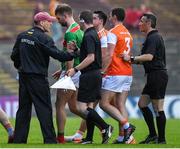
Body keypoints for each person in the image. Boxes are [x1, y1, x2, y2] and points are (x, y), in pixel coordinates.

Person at [11, 11, 78, 144]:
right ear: (42, 22)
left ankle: (19, 141)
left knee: (23, 110)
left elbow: (14, 56)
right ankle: (50, 140)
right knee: (44, 109)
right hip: (38, 79)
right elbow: (58, 55)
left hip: (24, 77)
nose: (51, 23)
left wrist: (21, 66)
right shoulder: (44, 38)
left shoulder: (22, 36)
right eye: (49, 21)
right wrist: (75, 53)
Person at [67, 10, 113, 144]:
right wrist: (76, 50)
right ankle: (89, 138)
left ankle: (105, 127)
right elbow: (89, 54)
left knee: (82, 108)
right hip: (95, 74)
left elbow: (91, 58)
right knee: (90, 108)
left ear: (82, 21)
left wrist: (75, 69)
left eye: (79, 20)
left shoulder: (88, 35)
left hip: (90, 75)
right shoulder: (92, 34)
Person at [123, 13, 168, 144]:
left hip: (157, 75)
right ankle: (153, 135)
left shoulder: (154, 37)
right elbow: (144, 59)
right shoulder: (151, 37)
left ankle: (162, 139)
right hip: (154, 75)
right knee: (142, 104)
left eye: (142, 21)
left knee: (158, 107)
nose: (139, 24)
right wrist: (131, 60)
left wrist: (131, 58)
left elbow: (149, 57)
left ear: (149, 23)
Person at [99, 7, 136, 144]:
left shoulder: (113, 32)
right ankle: (123, 138)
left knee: (104, 103)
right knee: (121, 104)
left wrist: (103, 70)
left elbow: (109, 54)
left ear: (114, 17)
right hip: (127, 73)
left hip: (116, 72)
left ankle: (127, 126)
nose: (109, 18)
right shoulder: (128, 33)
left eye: (110, 16)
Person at [52, 3, 84, 143]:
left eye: (59, 19)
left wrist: (67, 73)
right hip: (77, 71)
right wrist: (62, 68)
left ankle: (60, 138)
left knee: (59, 104)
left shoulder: (70, 32)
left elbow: (70, 55)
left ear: (65, 15)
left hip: (72, 72)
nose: (58, 22)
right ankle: (102, 125)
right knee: (74, 107)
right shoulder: (79, 29)